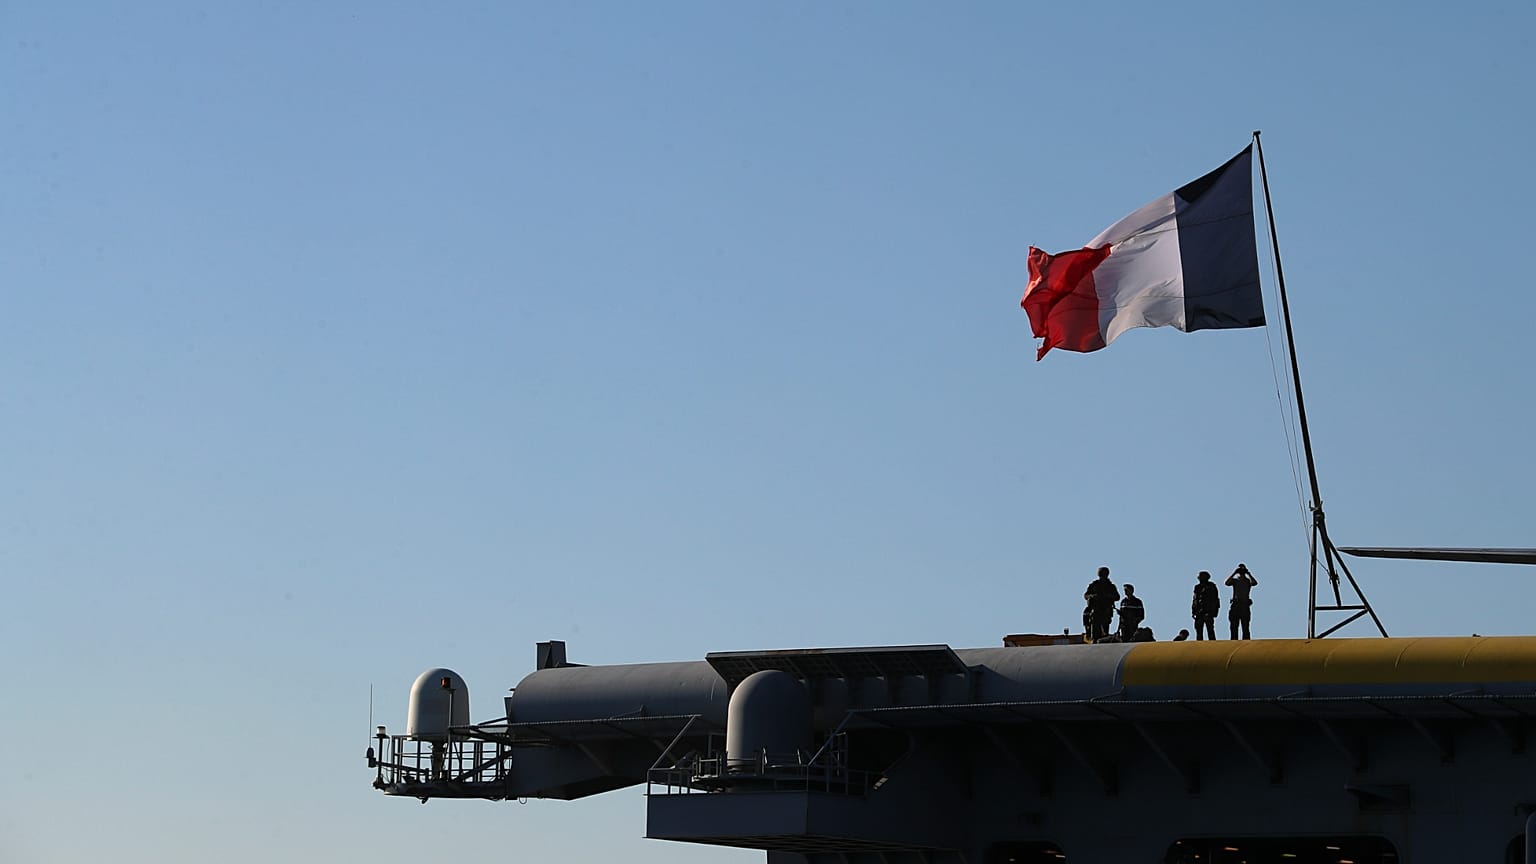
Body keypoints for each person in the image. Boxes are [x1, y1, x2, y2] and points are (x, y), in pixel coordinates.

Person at [1083, 566, 1120, 642]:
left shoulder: (1110, 586)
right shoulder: (1094, 585)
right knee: (1095, 633)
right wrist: (1093, 597)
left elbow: (1117, 597)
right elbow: (1086, 595)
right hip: (1096, 611)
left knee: (1105, 632)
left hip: (1106, 611)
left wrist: (1108, 596)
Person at [1225, 563, 1258, 640]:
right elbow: (1226, 583)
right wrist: (1234, 573)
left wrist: (1248, 573)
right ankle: (1234, 641)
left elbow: (1255, 583)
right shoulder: (1235, 580)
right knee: (1233, 625)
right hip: (1236, 605)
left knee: (1245, 625)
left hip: (1244, 605)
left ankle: (1246, 642)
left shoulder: (1247, 581)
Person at [1191, 571, 1220, 640]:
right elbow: (1195, 599)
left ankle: (1213, 646)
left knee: (1210, 630)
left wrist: (1212, 612)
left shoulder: (1211, 586)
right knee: (1198, 631)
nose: (1199, 578)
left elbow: (1215, 600)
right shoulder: (1197, 587)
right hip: (1199, 612)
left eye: (1201, 576)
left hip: (1208, 612)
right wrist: (1193, 610)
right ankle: (1199, 646)